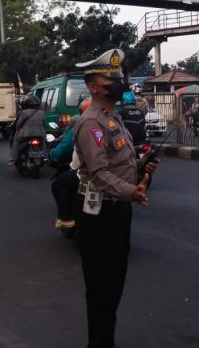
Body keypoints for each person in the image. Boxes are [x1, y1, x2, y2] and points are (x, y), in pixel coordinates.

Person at [73, 48, 157, 348]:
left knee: (114, 285)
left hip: (118, 211)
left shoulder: (113, 118)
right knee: (101, 289)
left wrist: (140, 169)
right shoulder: (90, 122)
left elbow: (120, 166)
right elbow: (98, 173)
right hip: (99, 214)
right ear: (92, 86)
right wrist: (130, 191)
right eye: (110, 79)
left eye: (118, 77)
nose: (117, 83)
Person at [49, 97, 91, 230]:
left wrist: (52, 156)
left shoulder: (78, 129)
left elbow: (60, 153)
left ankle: (66, 218)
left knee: (60, 182)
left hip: (87, 174)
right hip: (115, 174)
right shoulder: (113, 124)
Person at [8, 95, 46, 165]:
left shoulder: (24, 113)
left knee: (16, 140)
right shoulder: (42, 113)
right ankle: (46, 156)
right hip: (39, 134)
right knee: (43, 141)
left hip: (25, 135)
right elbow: (44, 124)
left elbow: (18, 124)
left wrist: (17, 130)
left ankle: (13, 158)